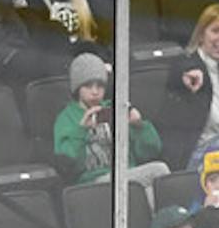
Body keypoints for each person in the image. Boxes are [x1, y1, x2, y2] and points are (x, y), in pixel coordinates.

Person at [155, 2, 219, 172]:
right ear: (202, 34)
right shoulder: (189, 65)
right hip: (194, 157)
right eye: (216, 30)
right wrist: (187, 75)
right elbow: (181, 70)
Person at [53, 51, 164, 186]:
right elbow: (66, 165)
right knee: (153, 175)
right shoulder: (66, 118)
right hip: (92, 183)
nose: (95, 92)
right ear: (77, 89)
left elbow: (151, 152)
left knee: (158, 173)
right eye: (88, 86)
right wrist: (81, 130)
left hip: (127, 173)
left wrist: (139, 126)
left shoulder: (116, 108)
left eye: (100, 86)